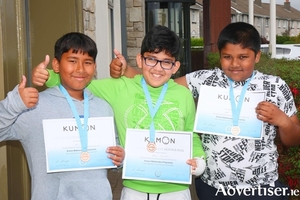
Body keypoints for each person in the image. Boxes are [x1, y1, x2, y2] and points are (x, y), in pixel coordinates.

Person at [109, 22, 300, 199]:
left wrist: (282, 120)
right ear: (220, 56)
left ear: (257, 56)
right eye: (227, 57)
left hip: (262, 187)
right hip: (212, 187)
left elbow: (294, 140)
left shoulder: (275, 86)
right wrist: (126, 71)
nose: (234, 64)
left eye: (243, 57)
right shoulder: (205, 79)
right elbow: (162, 82)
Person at [32, 25, 206, 200]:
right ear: (139, 60)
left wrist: (199, 159)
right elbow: (79, 82)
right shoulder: (119, 88)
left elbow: (191, 133)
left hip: (176, 190)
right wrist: (46, 76)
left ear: (175, 66)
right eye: (151, 59)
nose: (158, 68)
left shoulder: (184, 95)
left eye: (166, 62)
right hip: (134, 190)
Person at [0, 32, 124, 200]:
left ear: (94, 67)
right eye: (72, 61)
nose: (80, 69)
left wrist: (119, 157)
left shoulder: (103, 107)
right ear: (56, 65)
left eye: (87, 62)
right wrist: (14, 104)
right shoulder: (34, 108)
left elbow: (113, 151)